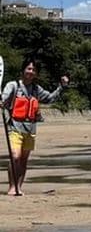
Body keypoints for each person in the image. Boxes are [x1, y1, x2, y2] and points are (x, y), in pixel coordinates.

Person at [1, 58, 69, 195]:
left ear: (36, 74)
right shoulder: (13, 86)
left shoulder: (36, 90)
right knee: (15, 156)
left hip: (30, 129)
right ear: (23, 70)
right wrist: (2, 102)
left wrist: (62, 86)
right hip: (14, 126)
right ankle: (12, 187)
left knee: (24, 160)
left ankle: (19, 187)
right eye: (29, 69)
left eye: (34, 70)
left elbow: (50, 98)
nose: (31, 72)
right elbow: (4, 98)